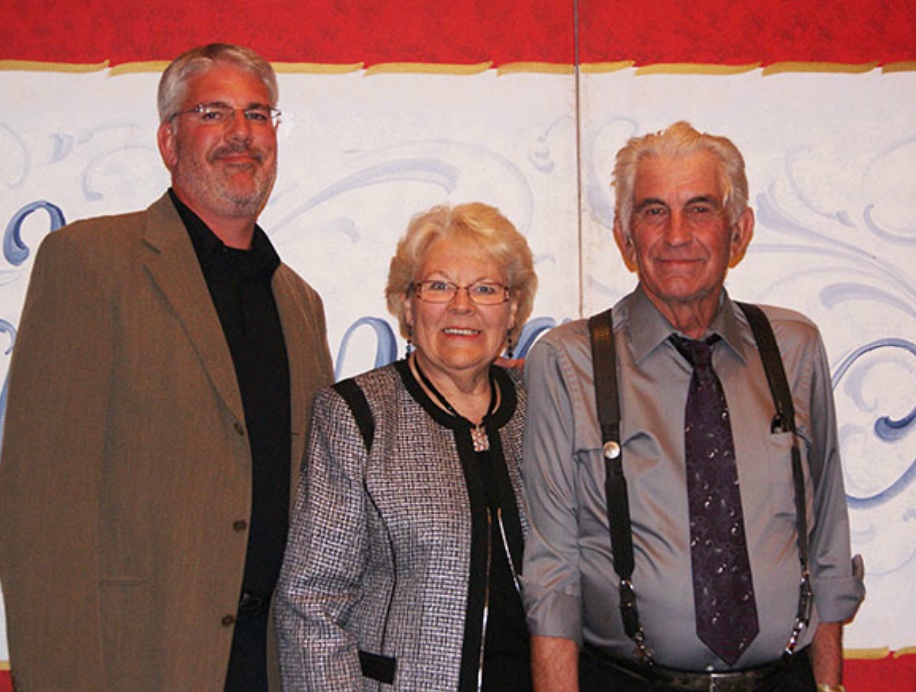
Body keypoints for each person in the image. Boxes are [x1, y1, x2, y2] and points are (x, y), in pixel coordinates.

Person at [0, 43, 333, 691]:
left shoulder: (300, 304)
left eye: (258, 114)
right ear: (168, 141)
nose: (241, 132)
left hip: (268, 667)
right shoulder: (90, 261)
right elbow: (40, 510)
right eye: (213, 112)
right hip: (137, 662)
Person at [522, 121, 865, 691]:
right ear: (624, 238)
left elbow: (827, 540)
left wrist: (828, 686)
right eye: (654, 211)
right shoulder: (568, 362)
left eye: (700, 209)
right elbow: (552, 576)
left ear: (740, 231)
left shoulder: (794, 348)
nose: (676, 235)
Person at [274, 202, 538, 690]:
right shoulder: (357, 415)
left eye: (485, 288)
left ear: (513, 309)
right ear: (408, 307)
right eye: (439, 286)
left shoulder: (542, 410)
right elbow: (311, 604)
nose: (462, 305)